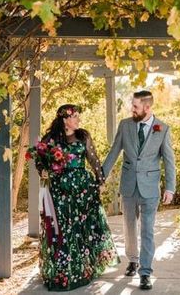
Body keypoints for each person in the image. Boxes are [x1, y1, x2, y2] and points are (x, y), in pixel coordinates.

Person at [36, 104, 119, 291]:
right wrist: (42, 170)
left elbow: (93, 159)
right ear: (65, 119)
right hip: (60, 190)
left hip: (83, 189)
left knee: (82, 228)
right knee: (63, 229)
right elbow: (39, 158)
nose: (78, 120)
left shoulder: (83, 136)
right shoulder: (51, 139)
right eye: (75, 117)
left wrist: (100, 180)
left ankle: (83, 269)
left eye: (78, 116)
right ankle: (63, 273)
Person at [103, 90, 176, 290]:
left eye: (135, 106)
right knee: (129, 227)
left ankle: (145, 272)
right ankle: (133, 260)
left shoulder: (163, 128)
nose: (132, 109)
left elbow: (169, 161)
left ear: (147, 107)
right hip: (128, 185)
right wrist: (101, 175)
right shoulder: (125, 125)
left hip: (150, 187)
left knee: (148, 230)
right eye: (132, 105)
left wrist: (170, 187)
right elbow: (114, 151)